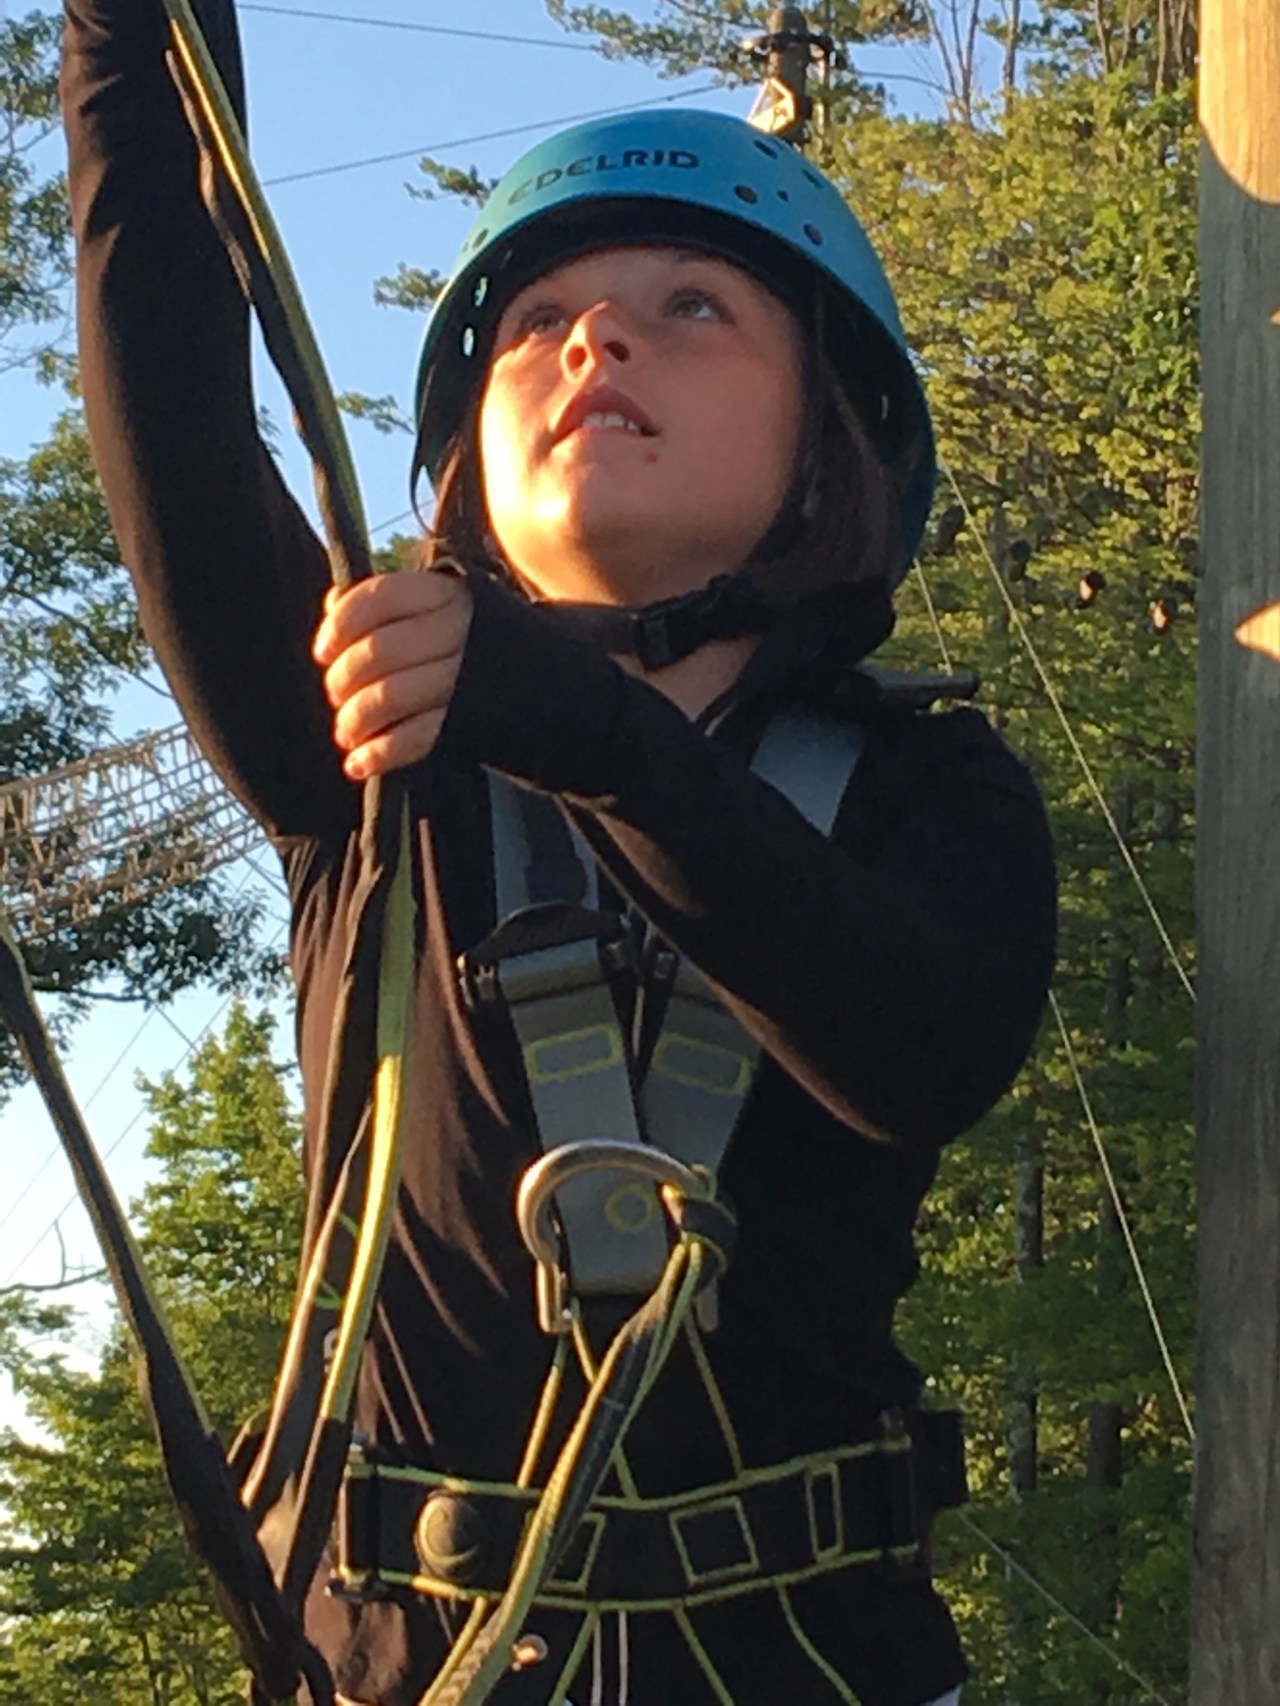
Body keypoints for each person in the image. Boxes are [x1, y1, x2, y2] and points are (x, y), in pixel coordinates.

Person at [61, 1, 1056, 1701]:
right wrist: (123, 48)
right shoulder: (370, 752)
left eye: (693, 307)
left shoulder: (929, 786)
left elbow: (913, 1045)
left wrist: (584, 728)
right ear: (468, 456)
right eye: (536, 322)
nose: (597, 339)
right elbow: (174, 398)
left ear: (830, 428)